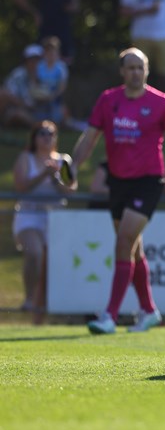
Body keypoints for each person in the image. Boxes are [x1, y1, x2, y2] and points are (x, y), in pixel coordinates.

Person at [70, 47, 165, 335]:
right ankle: (149, 310)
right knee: (133, 248)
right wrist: (75, 167)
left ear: (147, 71)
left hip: (149, 181)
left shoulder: (161, 102)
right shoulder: (108, 100)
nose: (135, 72)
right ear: (122, 72)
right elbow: (89, 137)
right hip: (118, 182)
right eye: (130, 67)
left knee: (125, 240)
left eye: (140, 67)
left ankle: (109, 316)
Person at [12, 120, 76, 323]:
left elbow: (71, 188)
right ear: (34, 138)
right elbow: (21, 186)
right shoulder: (26, 158)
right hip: (29, 214)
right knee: (34, 252)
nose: (46, 137)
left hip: (56, 217)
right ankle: (30, 298)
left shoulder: (64, 160)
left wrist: (56, 178)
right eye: (42, 133)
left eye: (51, 133)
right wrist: (43, 175)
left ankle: (42, 312)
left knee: (53, 265)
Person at [2, 44, 47, 129]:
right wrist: (22, 105)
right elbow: (9, 94)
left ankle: (39, 127)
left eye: (37, 60)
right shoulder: (18, 74)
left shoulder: (45, 77)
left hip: (37, 114)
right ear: (26, 61)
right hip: (17, 110)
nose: (34, 63)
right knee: (3, 95)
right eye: (32, 60)